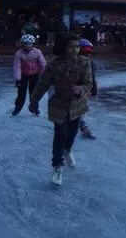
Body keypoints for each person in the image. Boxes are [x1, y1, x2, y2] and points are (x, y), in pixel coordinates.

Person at [29, 33, 93, 186]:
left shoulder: (85, 62)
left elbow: (89, 83)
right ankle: (57, 166)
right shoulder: (53, 64)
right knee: (60, 134)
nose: (74, 50)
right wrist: (34, 101)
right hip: (58, 104)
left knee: (72, 133)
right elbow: (42, 84)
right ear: (64, 47)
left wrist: (81, 89)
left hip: (77, 104)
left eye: (77, 47)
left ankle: (68, 150)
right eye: (71, 47)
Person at [12, 34, 46, 116]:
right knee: (21, 93)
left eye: (29, 43)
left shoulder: (37, 52)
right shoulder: (18, 54)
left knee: (34, 93)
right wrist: (18, 79)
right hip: (23, 75)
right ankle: (17, 108)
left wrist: (45, 74)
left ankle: (34, 108)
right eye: (25, 43)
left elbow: (43, 63)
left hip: (35, 74)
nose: (27, 45)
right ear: (22, 44)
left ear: (32, 44)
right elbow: (17, 66)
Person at [78, 38, 97, 139]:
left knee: (83, 108)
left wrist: (94, 89)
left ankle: (82, 125)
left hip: (84, 89)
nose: (87, 55)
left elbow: (92, 76)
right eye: (84, 52)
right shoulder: (72, 61)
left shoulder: (89, 62)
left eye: (89, 53)